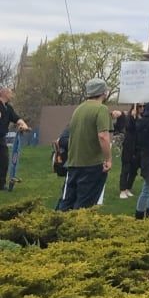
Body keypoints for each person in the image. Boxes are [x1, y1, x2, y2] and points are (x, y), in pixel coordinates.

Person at [61, 78, 114, 210]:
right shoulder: (101, 109)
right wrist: (108, 159)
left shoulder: (78, 109)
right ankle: (77, 229)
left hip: (74, 163)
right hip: (92, 164)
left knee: (67, 203)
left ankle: (59, 227)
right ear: (104, 92)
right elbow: (103, 136)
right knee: (84, 207)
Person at [0, 87, 29, 188]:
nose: (11, 95)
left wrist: (23, 125)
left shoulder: (8, 108)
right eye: (10, 93)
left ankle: (1, 184)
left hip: (1, 138)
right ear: (4, 94)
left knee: (4, 160)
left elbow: (16, 118)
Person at [115, 102, 142, 198]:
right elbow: (129, 127)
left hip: (138, 146)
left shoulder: (143, 118)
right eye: (140, 106)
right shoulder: (128, 117)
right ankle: (122, 189)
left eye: (143, 106)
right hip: (129, 145)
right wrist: (132, 117)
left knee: (134, 170)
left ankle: (128, 188)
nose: (141, 108)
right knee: (126, 167)